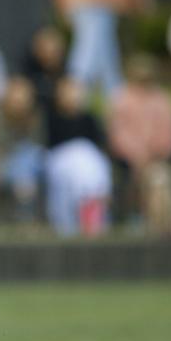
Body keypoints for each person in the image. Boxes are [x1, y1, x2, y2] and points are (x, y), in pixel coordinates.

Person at [108, 55, 171, 236]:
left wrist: (153, 151)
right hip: (129, 161)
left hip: (157, 159)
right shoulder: (121, 99)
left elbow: (170, 132)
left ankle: (162, 227)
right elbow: (118, 134)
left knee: (160, 180)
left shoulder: (163, 100)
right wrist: (137, 153)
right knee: (158, 180)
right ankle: (159, 227)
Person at [44, 77, 111, 236]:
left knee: (90, 168)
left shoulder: (89, 118)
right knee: (76, 170)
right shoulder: (52, 118)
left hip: (89, 161)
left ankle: (92, 211)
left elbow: (98, 147)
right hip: (62, 161)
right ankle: (77, 219)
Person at [0, 76, 44, 225]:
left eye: (23, 100)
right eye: (15, 99)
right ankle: (24, 220)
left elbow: (37, 146)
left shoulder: (34, 116)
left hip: (28, 165)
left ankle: (27, 221)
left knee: (28, 164)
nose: (18, 104)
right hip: (0, 161)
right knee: (20, 172)